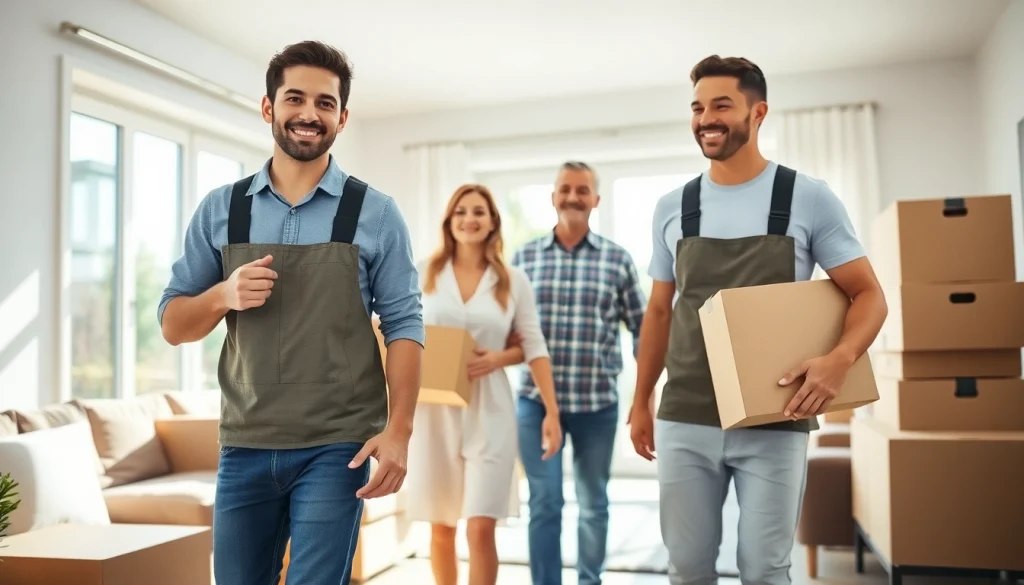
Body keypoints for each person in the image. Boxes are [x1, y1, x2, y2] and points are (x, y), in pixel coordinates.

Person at [157, 41, 424, 585]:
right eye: (295, 98)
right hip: (245, 443)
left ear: (342, 118)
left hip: (337, 444)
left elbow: (404, 325)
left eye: (325, 103)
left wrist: (398, 430)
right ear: (268, 107)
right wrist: (221, 296)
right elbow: (173, 324)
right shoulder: (221, 209)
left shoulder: (375, 213)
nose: (309, 113)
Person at [628, 55, 888, 585]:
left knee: (766, 569)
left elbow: (869, 295)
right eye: (698, 108)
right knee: (687, 569)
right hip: (686, 415)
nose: (706, 119)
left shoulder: (806, 197)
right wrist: (641, 398)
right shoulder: (673, 206)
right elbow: (659, 312)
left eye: (721, 105)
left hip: (777, 413)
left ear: (758, 111)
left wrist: (840, 361)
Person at [404, 183, 563, 585]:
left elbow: (533, 343)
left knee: (480, 526)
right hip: (433, 410)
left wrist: (550, 411)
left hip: (490, 410)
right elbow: (399, 332)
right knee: (441, 527)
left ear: (492, 222)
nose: (469, 220)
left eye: (478, 212)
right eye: (460, 212)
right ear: (449, 221)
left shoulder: (512, 280)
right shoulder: (423, 272)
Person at [509, 161, 647, 585]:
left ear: (595, 200)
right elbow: (507, 329)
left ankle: (590, 580)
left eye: (582, 190)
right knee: (545, 502)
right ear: (553, 197)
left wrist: (647, 396)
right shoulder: (523, 258)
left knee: (593, 503)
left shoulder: (617, 260)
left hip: (596, 405)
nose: (573, 196)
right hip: (535, 403)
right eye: (565, 189)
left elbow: (643, 330)